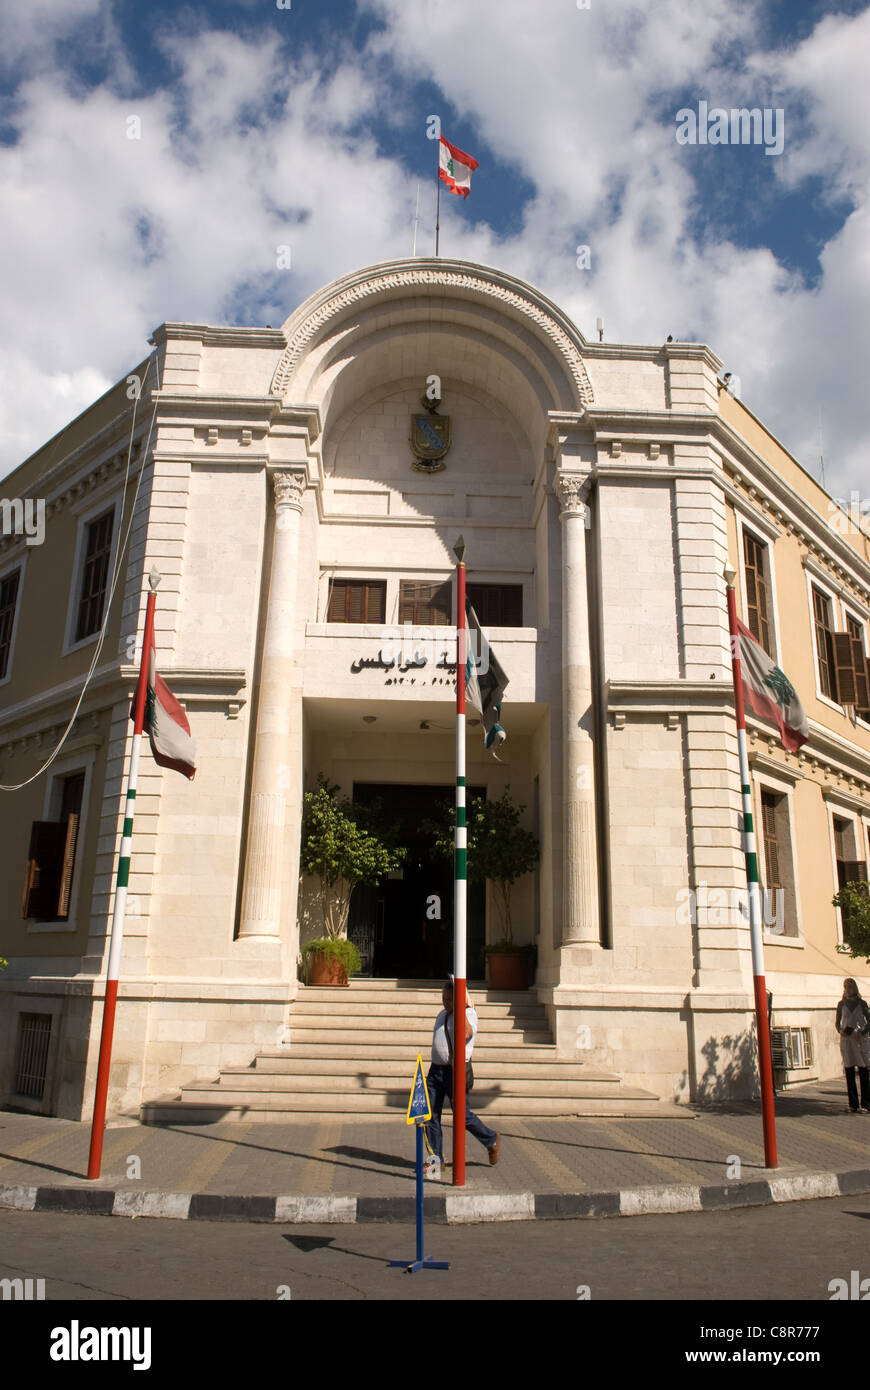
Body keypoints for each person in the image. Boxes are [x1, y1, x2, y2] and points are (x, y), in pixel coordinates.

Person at [423, 976, 499, 1178]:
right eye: (444, 998)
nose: (445, 1003)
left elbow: (466, 1034)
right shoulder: (442, 1014)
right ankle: (435, 1160)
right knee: (430, 1115)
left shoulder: (468, 1014)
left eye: (449, 999)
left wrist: (462, 1007)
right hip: (435, 1071)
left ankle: (490, 1139)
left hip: (455, 1071)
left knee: (463, 1116)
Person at [835, 978, 870, 1114]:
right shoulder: (841, 1004)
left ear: (854, 988)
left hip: (859, 1040)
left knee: (863, 1072)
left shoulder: (862, 1004)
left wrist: (863, 1032)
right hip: (847, 1040)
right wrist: (840, 1031)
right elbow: (837, 1022)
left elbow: (869, 1020)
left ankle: (866, 1104)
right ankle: (852, 1104)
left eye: (850, 986)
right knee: (849, 1072)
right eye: (845, 986)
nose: (847, 989)